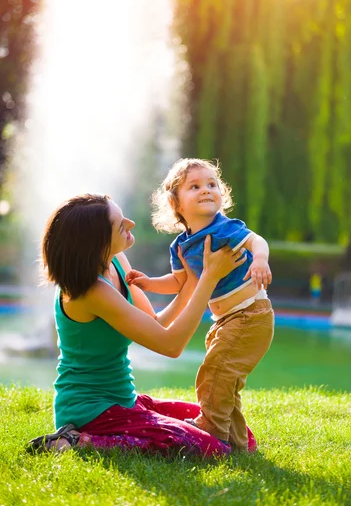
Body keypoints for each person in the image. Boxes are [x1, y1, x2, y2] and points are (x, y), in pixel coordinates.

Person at [27, 193, 252, 457]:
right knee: (213, 449)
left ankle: (115, 430)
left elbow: (155, 323)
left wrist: (193, 279)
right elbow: (171, 345)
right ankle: (77, 440)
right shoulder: (91, 291)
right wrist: (210, 278)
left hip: (126, 402)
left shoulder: (115, 261)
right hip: (91, 411)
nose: (132, 224)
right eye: (121, 225)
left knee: (233, 433)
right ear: (97, 242)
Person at [126, 158, 274, 451]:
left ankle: (211, 432)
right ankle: (238, 444)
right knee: (224, 383)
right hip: (226, 321)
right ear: (176, 204)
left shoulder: (226, 228)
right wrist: (149, 283)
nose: (206, 190)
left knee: (214, 374)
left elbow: (257, 241)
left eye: (212, 184)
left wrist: (260, 259)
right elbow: (180, 281)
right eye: (195, 186)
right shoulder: (180, 245)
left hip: (249, 315)